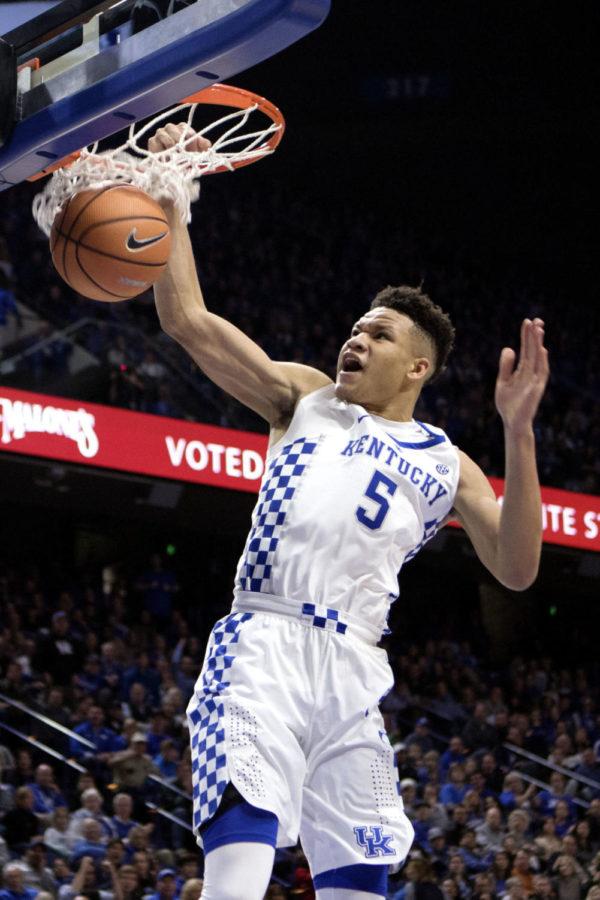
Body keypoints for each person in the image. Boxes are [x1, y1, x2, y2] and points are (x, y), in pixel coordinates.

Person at [150, 121, 549, 900]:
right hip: (265, 637)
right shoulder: (304, 396)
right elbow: (186, 322)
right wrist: (171, 195)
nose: (356, 339)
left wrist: (519, 433)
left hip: (354, 667)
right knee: (241, 857)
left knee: (360, 881)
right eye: (357, 327)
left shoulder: (445, 460)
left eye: (379, 333)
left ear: (418, 366)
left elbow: (518, 567)